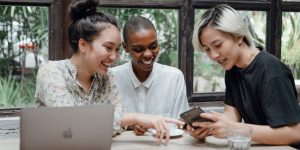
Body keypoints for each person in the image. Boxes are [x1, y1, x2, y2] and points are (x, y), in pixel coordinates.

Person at [35, 0, 183, 144]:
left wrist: (121, 122)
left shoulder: (107, 77)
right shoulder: (51, 72)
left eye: (117, 49)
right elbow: (70, 124)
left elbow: (117, 127)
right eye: (108, 48)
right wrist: (135, 118)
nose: (114, 57)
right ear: (83, 45)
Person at [190, 4, 300, 148]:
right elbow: (232, 114)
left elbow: (295, 133)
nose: (214, 55)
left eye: (218, 45)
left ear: (239, 36)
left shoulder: (271, 71)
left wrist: (236, 130)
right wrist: (210, 127)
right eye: (207, 50)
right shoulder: (232, 69)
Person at [111, 16, 189, 135]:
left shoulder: (174, 77)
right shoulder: (112, 78)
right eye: (138, 49)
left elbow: (181, 124)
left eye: (153, 47)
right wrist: (129, 125)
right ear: (125, 47)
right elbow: (103, 123)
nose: (148, 54)